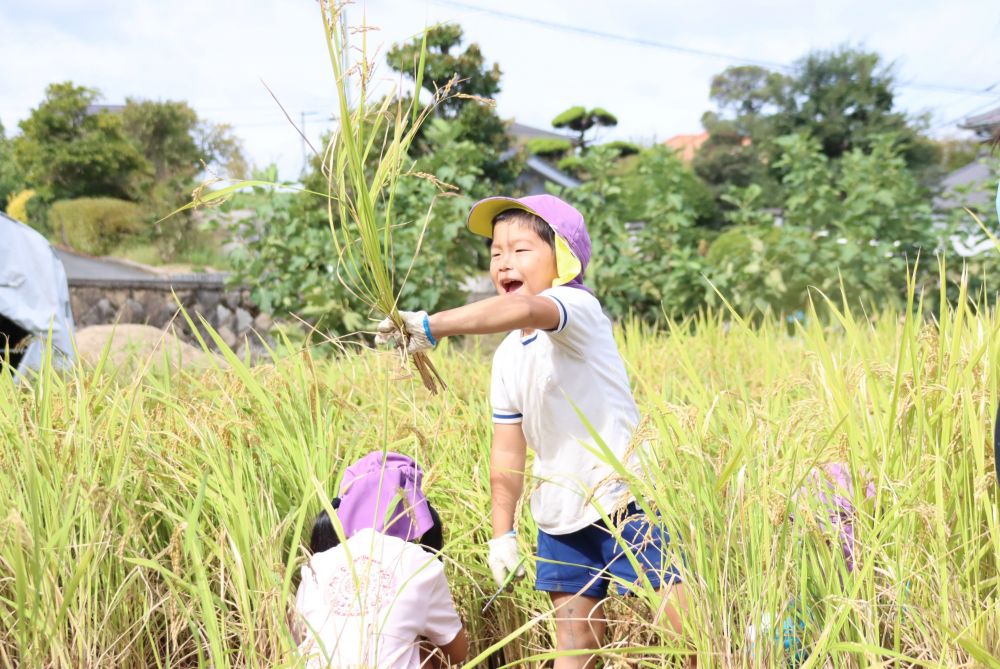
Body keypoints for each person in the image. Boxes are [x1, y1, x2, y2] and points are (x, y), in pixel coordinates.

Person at [376, 194, 691, 668]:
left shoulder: (576, 308)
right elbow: (508, 451)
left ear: (561, 258)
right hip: (560, 514)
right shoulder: (507, 356)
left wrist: (430, 324)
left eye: (521, 250)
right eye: (496, 252)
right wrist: (502, 534)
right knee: (574, 646)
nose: (504, 262)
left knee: (687, 634)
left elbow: (525, 311)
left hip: (625, 500)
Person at [292, 452, 468, 669]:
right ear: (414, 506)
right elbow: (457, 653)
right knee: (426, 651)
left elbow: (298, 642)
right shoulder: (421, 564)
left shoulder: (316, 566)